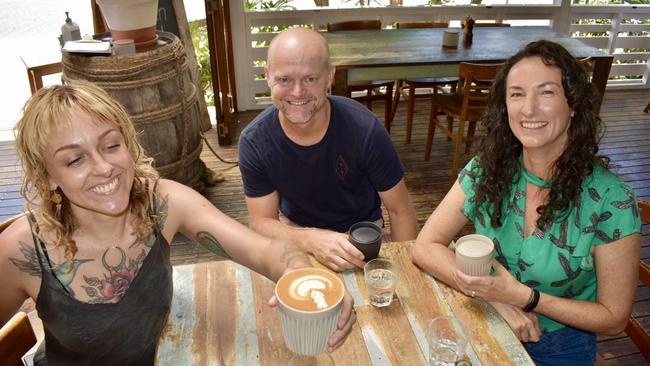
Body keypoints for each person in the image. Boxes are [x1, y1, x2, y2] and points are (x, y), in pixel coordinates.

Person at [0, 80, 355, 365]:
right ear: (48, 176)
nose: (104, 167)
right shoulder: (24, 249)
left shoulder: (163, 203)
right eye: (75, 160)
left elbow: (266, 250)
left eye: (111, 146)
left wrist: (304, 275)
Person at [412, 40, 641, 366]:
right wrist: (493, 300)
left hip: (560, 344)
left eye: (546, 92)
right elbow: (425, 246)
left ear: (573, 104)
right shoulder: (486, 168)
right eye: (517, 94)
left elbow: (614, 317)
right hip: (485, 320)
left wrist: (524, 298)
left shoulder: (612, 201)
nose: (529, 109)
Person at [238, 27, 417, 272]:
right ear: (268, 76)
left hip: (361, 236)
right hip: (295, 233)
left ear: (329, 76)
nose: (298, 92)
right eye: (284, 79)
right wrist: (310, 239)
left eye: (311, 79)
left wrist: (403, 274)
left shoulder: (365, 130)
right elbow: (261, 222)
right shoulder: (254, 140)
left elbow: (401, 210)